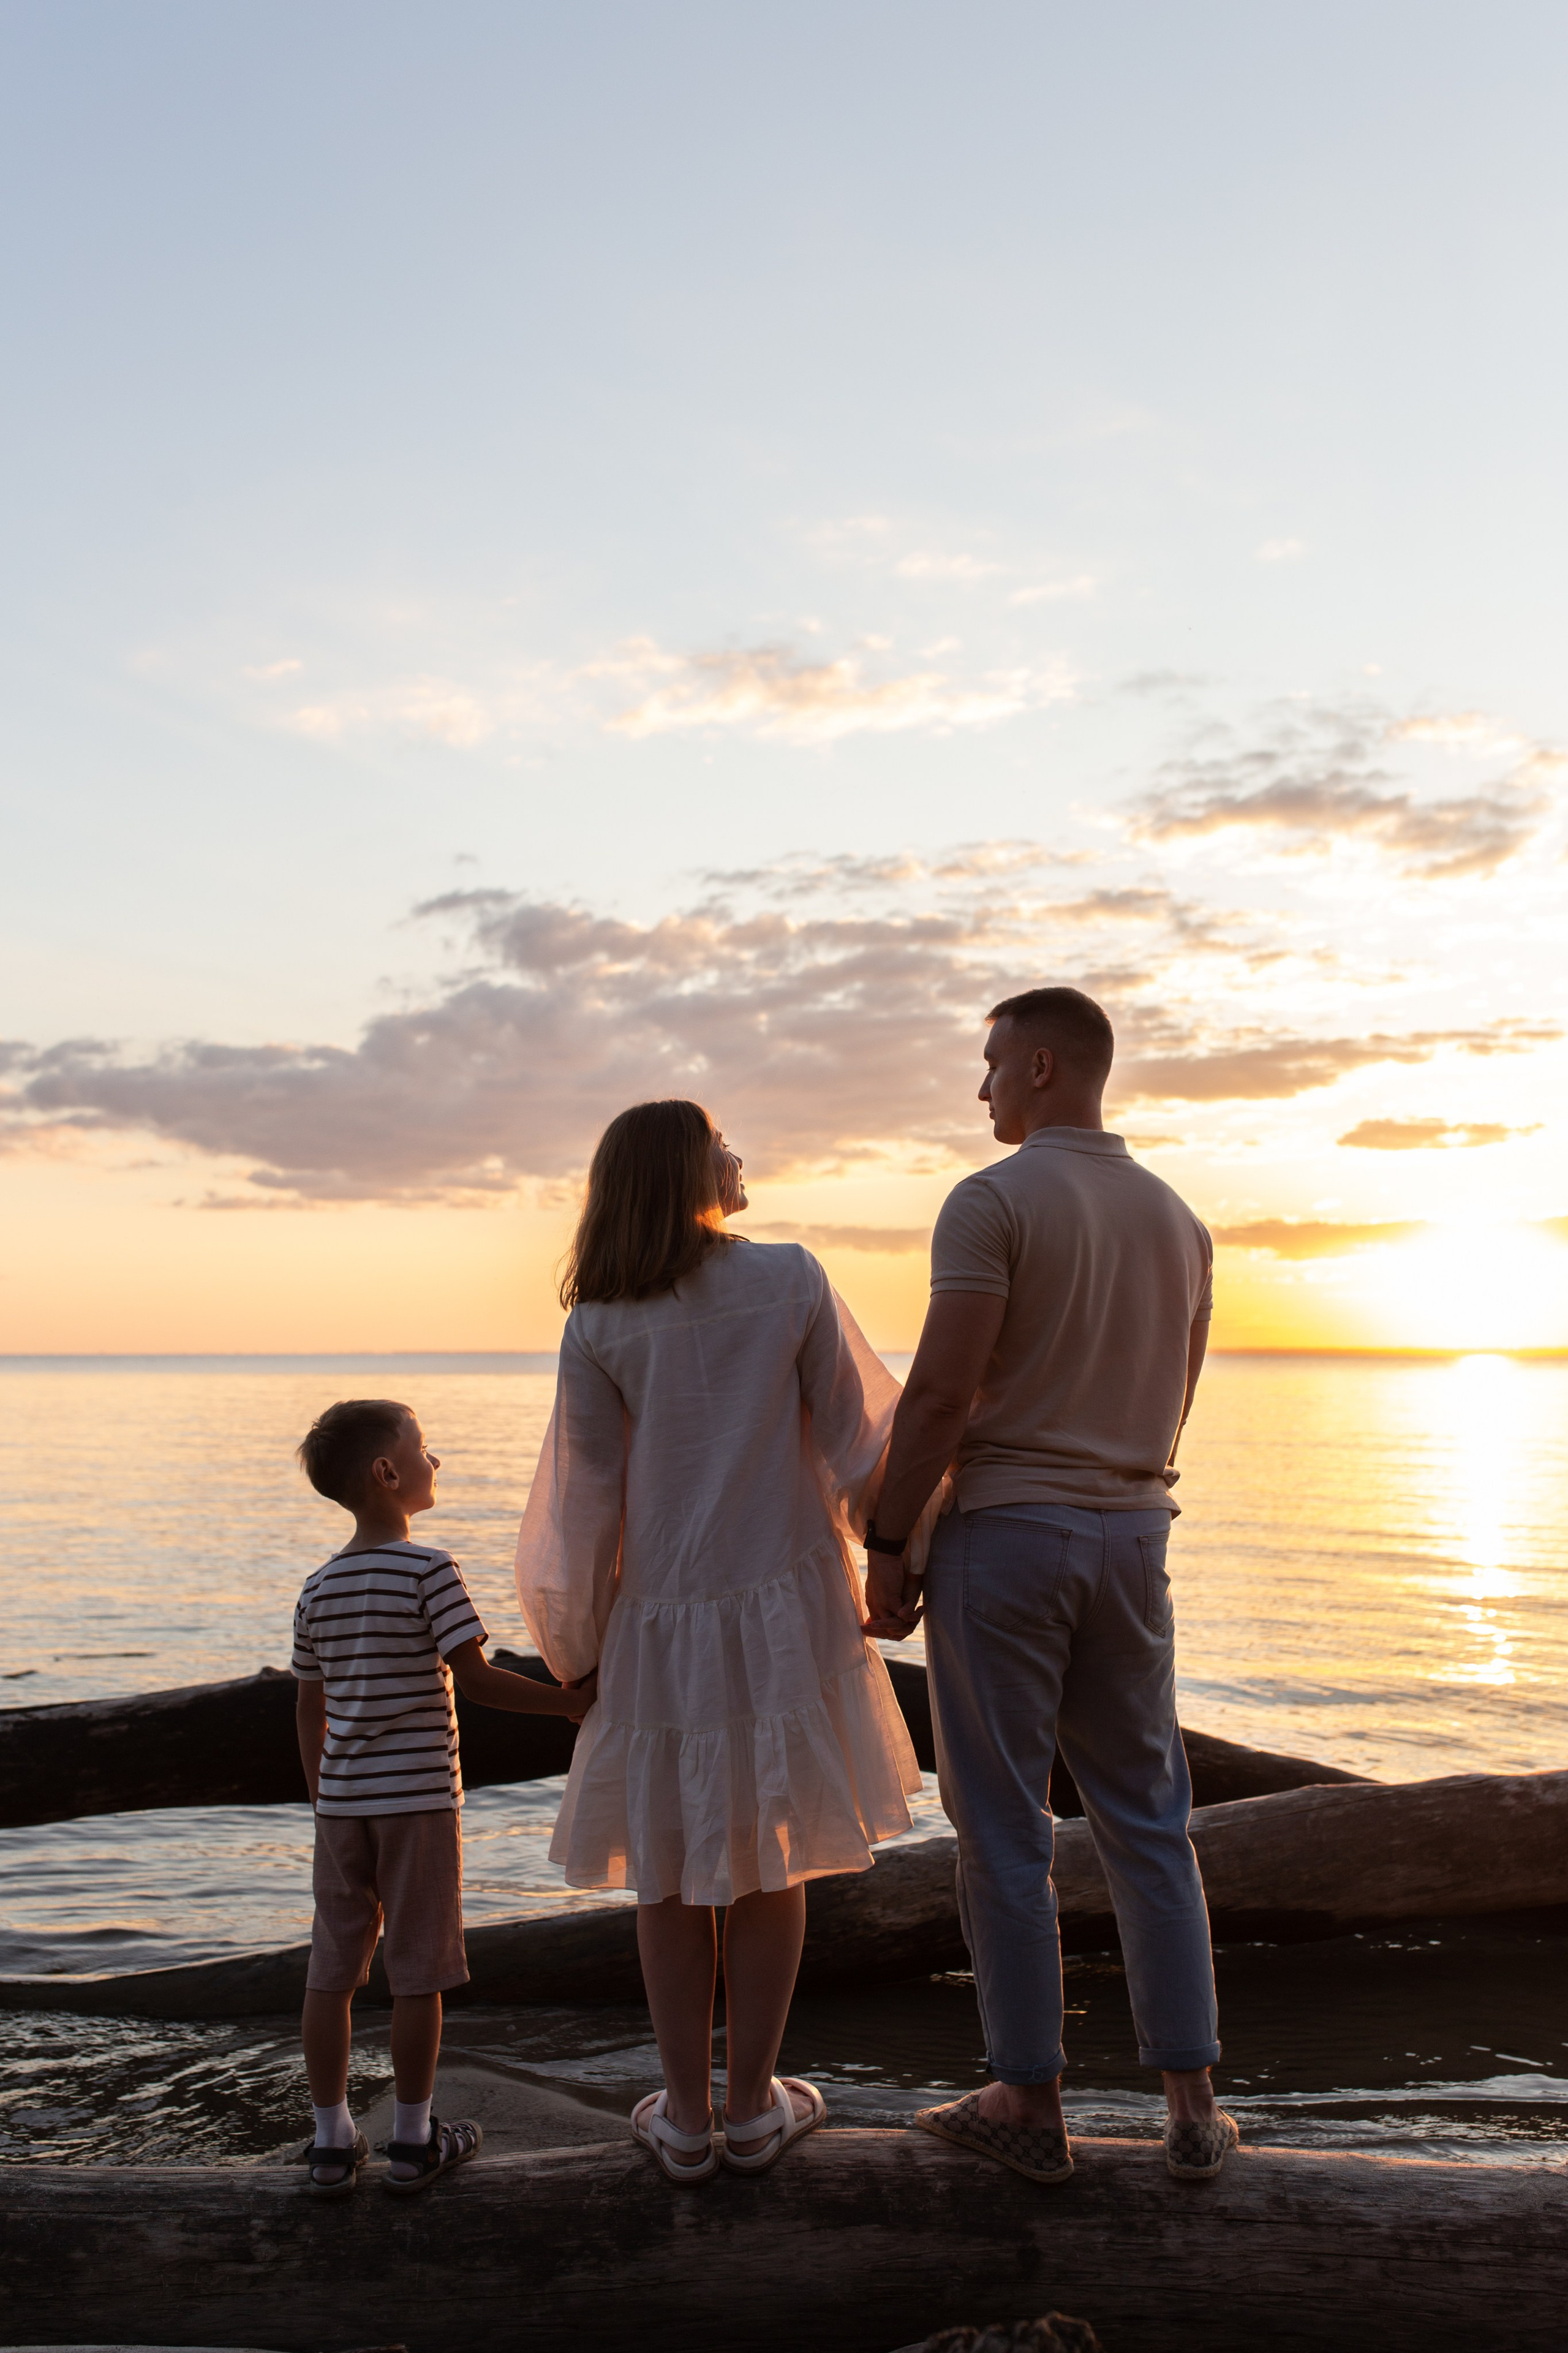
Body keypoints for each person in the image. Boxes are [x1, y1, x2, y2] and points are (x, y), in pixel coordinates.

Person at [514, 1099, 929, 2184]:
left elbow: (581, 1506)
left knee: (666, 1872)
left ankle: (686, 2117)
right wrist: (900, 1551)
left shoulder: (600, 1323)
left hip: (659, 1620)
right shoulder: (788, 1277)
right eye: (719, 1144)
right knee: (771, 1863)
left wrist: (576, 1646)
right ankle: (753, 2108)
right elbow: (863, 1441)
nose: (737, 1157)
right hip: (786, 1607)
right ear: (682, 1172)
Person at [864, 986, 1237, 2185]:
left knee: (1002, 1827)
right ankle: (1193, 2105)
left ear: (1039, 1066)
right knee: (1149, 1821)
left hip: (1010, 1535)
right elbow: (1175, 1403)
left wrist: (888, 1539)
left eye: (989, 1064)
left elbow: (939, 1394)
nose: (978, 1087)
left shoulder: (992, 1201)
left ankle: (1027, 2100)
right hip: (1134, 1533)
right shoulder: (1181, 1222)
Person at [292, 1397, 595, 2197]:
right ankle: (413, 2138)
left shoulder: (317, 1588)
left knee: (332, 1970)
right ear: (387, 1474)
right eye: (423, 1449)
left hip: (342, 1806)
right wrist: (572, 1702)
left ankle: (330, 2141)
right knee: (417, 1970)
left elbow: (309, 1709)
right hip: (419, 1802)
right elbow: (480, 1679)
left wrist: (324, 1795)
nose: (435, 1460)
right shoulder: (430, 1569)